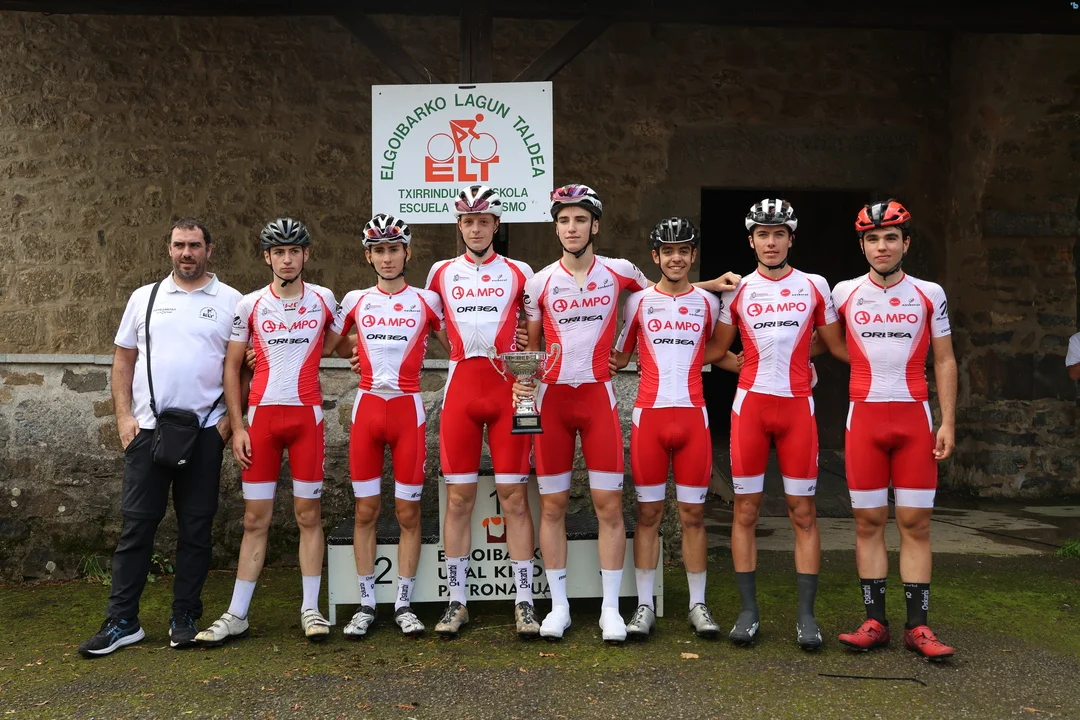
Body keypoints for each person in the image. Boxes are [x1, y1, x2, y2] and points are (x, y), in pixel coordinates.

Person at [520, 184, 741, 642]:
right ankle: (559, 607)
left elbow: (665, 293)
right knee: (553, 506)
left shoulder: (620, 272)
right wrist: (521, 376)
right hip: (552, 399)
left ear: (595, 226)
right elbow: (532, 348)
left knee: (609, 507)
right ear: (556, 227)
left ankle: (610, 610)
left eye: (581, 219)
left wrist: (710, 286)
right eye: (564, 220)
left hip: (599, 400)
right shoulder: (539, 282)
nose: (572, 228)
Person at [79, 218, 242, 657]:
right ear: (169, 249)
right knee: (136, 527)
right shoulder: (144, 297)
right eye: (179, 245)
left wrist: (229, 422)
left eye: (195, 245)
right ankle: (122, 621)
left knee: (196, 530)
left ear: (209, 249)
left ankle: (184, 616)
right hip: (148, 432)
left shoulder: (232, 301)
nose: (187, 253)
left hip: (205, 432)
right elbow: (123, 361)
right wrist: (123, 418)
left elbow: (244, 366)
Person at [195, 219, 348, 646]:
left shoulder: (324, 298)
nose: (287, 259)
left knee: (308, 516)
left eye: (294, 251)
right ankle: (237, 614)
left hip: (306, 421)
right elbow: (231, 367)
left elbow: (342, 344)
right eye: (278, 252)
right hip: (260, 422)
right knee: (254, 519)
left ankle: (311, 609)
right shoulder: (250, 304)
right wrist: (238, 425)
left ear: (306, 255)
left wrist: (381, 350)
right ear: (267, 257)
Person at [706, 198, 846, 649]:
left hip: (797, 407)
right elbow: (716, 351)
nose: (771, 242)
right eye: (762, 235)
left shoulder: (815, 285)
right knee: (745, 510)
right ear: (751, 241)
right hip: (750, 407)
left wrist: (798, 356)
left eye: (779, 234)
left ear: (791, 238)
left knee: (803, 512)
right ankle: (748, 611)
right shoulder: (737, 290)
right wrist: (745, 363)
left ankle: (806, 616)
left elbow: (832, 343)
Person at [832, 199, 957, 660]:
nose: (881, 246)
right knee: (868, 521)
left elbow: (944, 359)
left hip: (914, 418)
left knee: (915, 522)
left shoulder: (929, 292)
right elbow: (818, 337)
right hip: (863, 417)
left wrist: (948, 420)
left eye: (890, 238)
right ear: (862, 246)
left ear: (906, 243)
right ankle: (875, 622)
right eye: (872, 238)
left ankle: (918, 627)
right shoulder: (843, 292)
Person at [424, 185, 540, 638]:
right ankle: (457, 601)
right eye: (468, 222)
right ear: (459, 226)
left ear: (496, 225)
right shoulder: (440, 272)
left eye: (484, 221)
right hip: (461, 390)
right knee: (458, 499)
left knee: (514, 497)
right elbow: (428, 323)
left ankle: (525, 602)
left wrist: (525, 356)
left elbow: (535, 327)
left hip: (510, 390)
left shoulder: (519, 271)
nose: (476, 229)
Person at [611, 217, 723, 639]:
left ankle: (698, 604)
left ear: (693, 255)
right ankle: (644, 606)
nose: (676, 258)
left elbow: (718, 349)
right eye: (668, 251)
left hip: (693, 416)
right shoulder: (637, 302)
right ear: (655, 256)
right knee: (648, 514)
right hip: (650, 417)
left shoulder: (709, 303)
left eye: (684, 250)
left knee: (693, 515)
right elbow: (620, 354)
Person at [336, 214, 444, 639]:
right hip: (367, 409)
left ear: (407, 252)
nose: (386, 257)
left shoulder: (426, 301)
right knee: (366, 510)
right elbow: (327, 341)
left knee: (407, 512)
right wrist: (353, 351)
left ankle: (403, 604)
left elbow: (455, 344)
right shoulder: (355, 299)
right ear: (368, 256)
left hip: (407, 411)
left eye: (393, 249)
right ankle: (366, 603)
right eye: (378, 250)